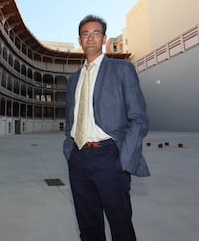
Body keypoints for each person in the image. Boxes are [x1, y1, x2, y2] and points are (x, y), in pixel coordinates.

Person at [63, 15, 150, 241]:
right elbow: (70, 121)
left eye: (96, 33)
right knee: (88, 225)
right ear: (80, 40)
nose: (90, 38)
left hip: (110, 156)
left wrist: (123, 160)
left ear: (104, 38)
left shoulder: (121, 69)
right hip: (78, 158)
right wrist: (70, 151)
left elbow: (139, 118)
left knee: (120, 225)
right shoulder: (73, 80)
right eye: (85, 34)